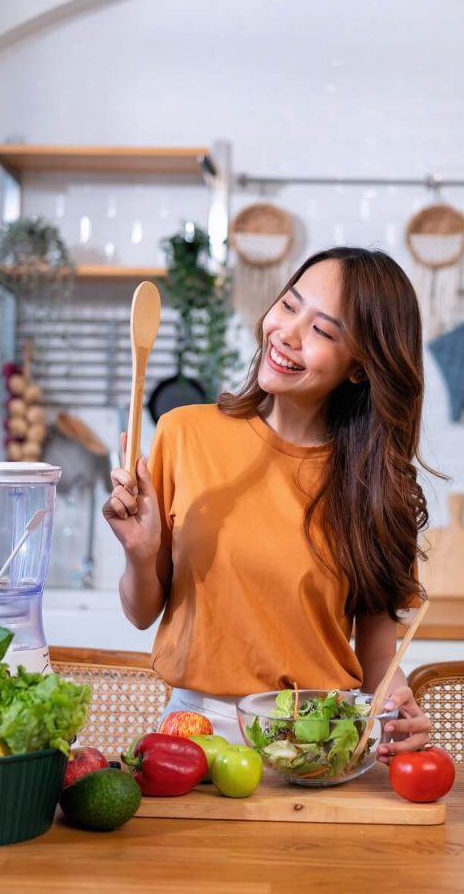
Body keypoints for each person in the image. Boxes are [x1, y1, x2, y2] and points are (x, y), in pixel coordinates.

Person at [103, 246, 435, 758]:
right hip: (193, 735)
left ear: (359, 369)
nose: (287, 333)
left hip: (320, 742)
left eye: (323, 331)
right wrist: (140, 554)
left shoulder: (376, 487)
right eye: (288, 305)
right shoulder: (184, 433)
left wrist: (397, 713)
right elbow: (142, 611)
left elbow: (377, 658)